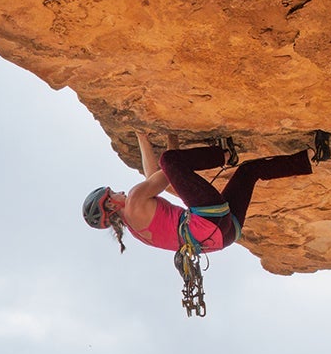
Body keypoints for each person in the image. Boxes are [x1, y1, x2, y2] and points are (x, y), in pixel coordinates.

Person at [82, 132, 315, 314]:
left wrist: (150, 138)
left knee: (248, 172)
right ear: (111, 206)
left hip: (225, 236)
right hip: (208, 218)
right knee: (169, 159)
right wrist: (159, 139)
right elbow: (166, 171)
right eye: (112, 192)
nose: (118, 190)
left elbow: (154, 177)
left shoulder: (136, 230)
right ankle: (223, 154)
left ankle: (310, 158)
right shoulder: (133, 201)